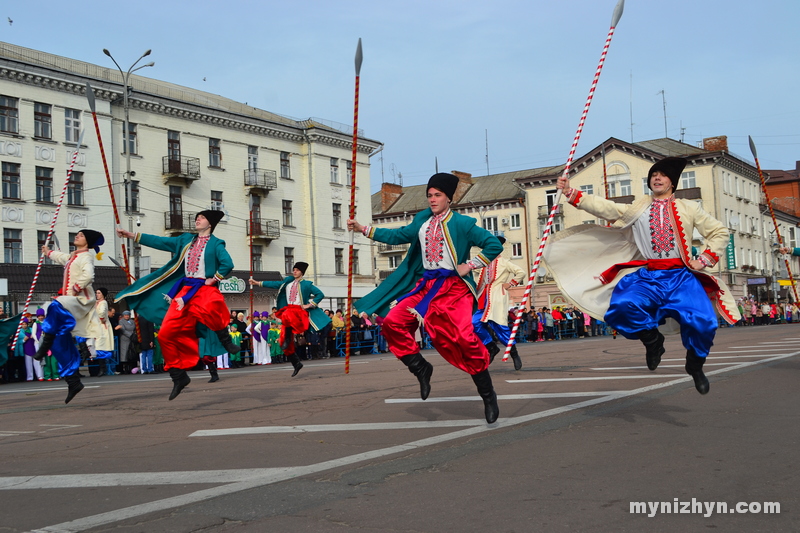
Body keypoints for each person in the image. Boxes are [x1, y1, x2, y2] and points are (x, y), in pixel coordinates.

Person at [545, 157, 741, 394]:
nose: (656, 177)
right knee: (623, 305)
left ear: (672, 182)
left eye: (662, 174)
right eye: (653, 174)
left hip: (681, 277)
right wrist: (570, 192)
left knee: (705, 323)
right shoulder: (640, 207)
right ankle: (652, 340)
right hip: (650, 276)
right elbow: (608, 208)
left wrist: (706, 258)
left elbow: (719, 231)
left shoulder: (689, 208)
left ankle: (695, 365)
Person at [348, 172, 504, 423]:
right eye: (429, 195)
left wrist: (470, 265)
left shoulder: (463, 224)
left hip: (453, 288)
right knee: (392, 323)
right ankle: (420, 367)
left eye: (437, 195)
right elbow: (398, 235)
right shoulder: (422, 219)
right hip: (425, 286)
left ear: (449, 198)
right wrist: (363, 229)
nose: (432, 199)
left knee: (464, 338)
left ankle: (487, 394)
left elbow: (493, 245)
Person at [115, 210, 239, 400]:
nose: (197, 219)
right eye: (197, 217)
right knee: (165, 335)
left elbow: (227, 263)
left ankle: (225, 338)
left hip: (203, 287)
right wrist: (132, 235)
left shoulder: (216, 243)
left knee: (213, 303)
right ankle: (179, 376)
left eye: (202, 218)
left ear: (210, 224)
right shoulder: (185, 240)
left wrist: (214, 279)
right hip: (184, 291)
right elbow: (160, 242)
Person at [34, 229, 105, 403]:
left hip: (80, 300)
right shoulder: (73, 256)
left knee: (55, 304)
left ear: (87, 241)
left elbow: (88, 275)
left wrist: (75, 288)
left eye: (80, 235)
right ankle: (73, 381)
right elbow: (61, 257)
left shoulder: (86, 257)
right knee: (60, 342)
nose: (76, 237)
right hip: (70, 301)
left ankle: (46, 342)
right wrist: (47, 252)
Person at [249, 262, 331, 377]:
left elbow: (320, 294)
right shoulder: (287, 282)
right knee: (283, 342)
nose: (294, 271)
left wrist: (309, 305)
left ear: (302, 272)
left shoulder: (307, 284)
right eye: (294, 269)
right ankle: (296, 363)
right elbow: (274, 284)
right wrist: (257, 283)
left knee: (287, 315)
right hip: (289, 310)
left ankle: (289, 338)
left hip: (299, 312)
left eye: (297, 270)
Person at [471, 236, 526, 370]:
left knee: (500, 327)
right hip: (483, 297)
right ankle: (491, 347)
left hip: (496, 297)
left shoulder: (504, 262)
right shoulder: (484, 262)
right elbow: (472, 268)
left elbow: (521, 272)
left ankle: (514, 353)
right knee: (473, 323)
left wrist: (510, 283)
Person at [93, 288, 115, 376]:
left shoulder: (103, 303)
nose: (97, 294)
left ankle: (103, 368)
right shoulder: (96, 302)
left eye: (99, 293)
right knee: (97, 347)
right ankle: (100, 368)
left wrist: (102, 319)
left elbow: (102, 313)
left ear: (103, 294)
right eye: (96, 293)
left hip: (102, 326)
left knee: (101, 346)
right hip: (96, 325)